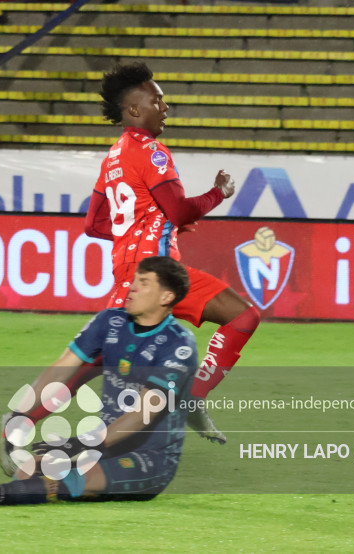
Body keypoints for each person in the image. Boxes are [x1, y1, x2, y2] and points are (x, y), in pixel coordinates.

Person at [83, 61, 261, 443]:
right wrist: (220, 193)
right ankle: (188, 400)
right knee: (241, 319)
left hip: (144, 272)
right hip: (155, 274)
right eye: (158, 100)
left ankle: (28, 417)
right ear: (135, 109)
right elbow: (179, 208)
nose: (165, 108)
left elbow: (95, 225)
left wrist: (153, 224)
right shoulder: (152, 151)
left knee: (94, 361)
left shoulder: (113, 157)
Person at [0, 256, 198, 505]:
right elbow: (60, 369)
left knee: (80, 478)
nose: (132, 286)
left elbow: (142, 415)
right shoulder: (110, 321)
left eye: (143, 282)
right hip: (106, 445)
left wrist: (81, 444)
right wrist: (20, 414)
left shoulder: (179, 345)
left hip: (151, 457)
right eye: (134, 279)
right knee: (31, 467)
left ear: (166, 297)